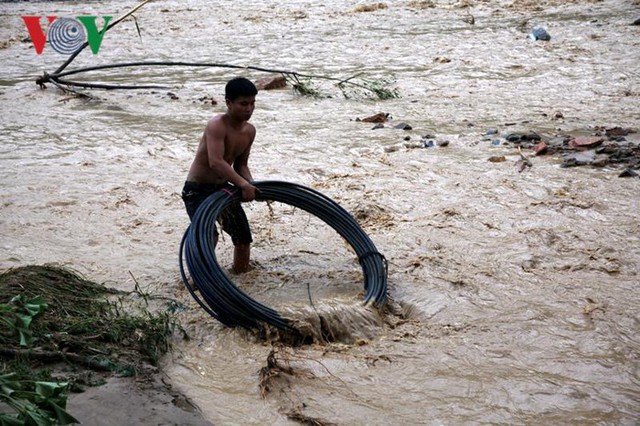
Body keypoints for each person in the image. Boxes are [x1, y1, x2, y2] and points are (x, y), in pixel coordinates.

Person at [181, 77, 259, 273]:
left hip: (223, 189)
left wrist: (252, 184)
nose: (249, 109)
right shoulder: (217, 125)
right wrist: (242, 184)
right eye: (243, 104)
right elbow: (215, 162)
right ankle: (202, 281)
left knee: (243, 238)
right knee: (209, 236)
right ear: (228, 103)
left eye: (252, 104)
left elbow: (242, 165)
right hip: (197, 190)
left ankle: (240, 278)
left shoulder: (249, 131)